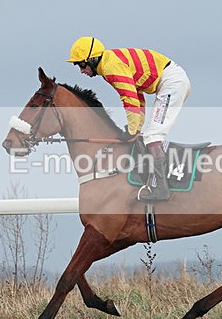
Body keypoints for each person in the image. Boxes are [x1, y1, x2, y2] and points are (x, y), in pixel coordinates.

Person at [67, 36, 191, 201]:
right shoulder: (108, 66)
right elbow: (138, 96)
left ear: (93, 59)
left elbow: (130, 98)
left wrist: (132, 129)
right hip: (171, 80)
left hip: (171, 83)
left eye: (82, 65)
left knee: (152, 137)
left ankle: (162, 189)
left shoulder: (111, 66)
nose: (81, 71)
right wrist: (136, 129)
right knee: (147, 136)